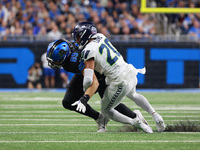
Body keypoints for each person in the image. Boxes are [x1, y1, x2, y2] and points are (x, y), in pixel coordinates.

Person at [71, 22, 166, 132]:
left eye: (78, 37)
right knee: (134, 95)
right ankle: (156, 115)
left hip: (119, 81)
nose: (76, 40)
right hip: (129, 70)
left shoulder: (88, 51)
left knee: (106, 110)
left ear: (85, 35)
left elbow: (88, 79)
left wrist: (85, 95)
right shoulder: (101, 36)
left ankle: (136, 122)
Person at [46, 38, 151, 132]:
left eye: (55, 61)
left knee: (110, 103)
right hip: (85, 72)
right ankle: (99, 118)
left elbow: (93, 81)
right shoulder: (70, 52)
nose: (54, 64)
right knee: (68, 102)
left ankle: (136, 117)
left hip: (100, 73)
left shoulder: (74, 61)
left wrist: (85, 98)